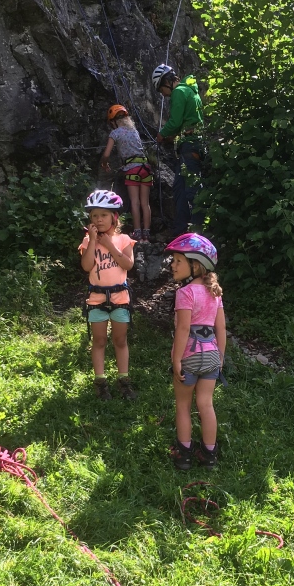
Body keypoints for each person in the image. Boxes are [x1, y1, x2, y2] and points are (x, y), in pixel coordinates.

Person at [165, 233, 226, 469]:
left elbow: (183, 329)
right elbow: (221, 328)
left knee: (183, 405)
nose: (173, 265)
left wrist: (176, 360)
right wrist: (220, 358)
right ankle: (209, 455)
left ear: (196, 265)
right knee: (206, 404)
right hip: (211, 355)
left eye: (178, 261)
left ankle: (184, 455)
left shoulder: (185, 293)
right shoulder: (215, 293)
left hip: (189, 356)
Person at [79, 190, 137, 401]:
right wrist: (93, 241)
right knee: (99, 340)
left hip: (120, 298)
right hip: (97, 299)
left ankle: (124, 380)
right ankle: (100, 382)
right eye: (94, 215)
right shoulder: (88, 240)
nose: (98, 219)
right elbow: (87, 266)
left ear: (114, 217)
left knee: (120, 340)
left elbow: (128, 265)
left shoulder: (123, 239)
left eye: (103, 215)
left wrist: (110, 245)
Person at [153, 63, 205, 236]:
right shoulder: (189, 91)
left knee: (191, 189)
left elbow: (175, 122)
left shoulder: (179, 92)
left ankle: (198, 230)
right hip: (190, 144)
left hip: (190, 144)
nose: (163, 94)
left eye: (161, 89)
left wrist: (162, 134)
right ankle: (181, 230)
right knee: (179, 188)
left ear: (166, 81)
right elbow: (185, 121)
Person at [100, 105, 153, 241]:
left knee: (135, 202)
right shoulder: (134, 131)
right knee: (145, 203)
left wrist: (104, 164)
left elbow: (106, 154)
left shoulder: (115, 133)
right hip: (145, 168)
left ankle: (138, 233)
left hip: (132, 169)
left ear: (113, 122)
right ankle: (147, 233)